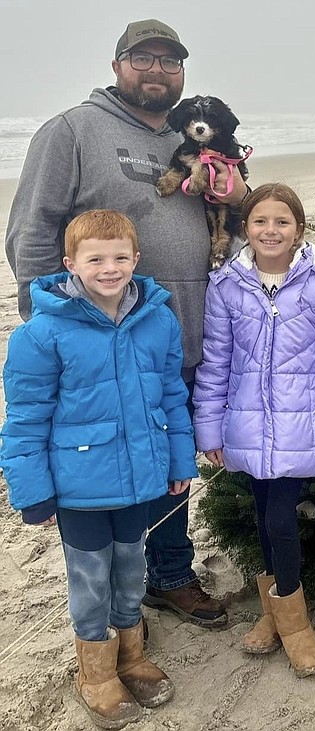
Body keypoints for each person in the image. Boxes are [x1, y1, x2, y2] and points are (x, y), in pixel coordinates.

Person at [4, 18, 248, 627]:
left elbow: (232, 221)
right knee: (109, 464)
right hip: (102, 341)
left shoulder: (191, 136)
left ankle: (169, 575)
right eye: (144, 59)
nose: (157, 70)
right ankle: (115, 595)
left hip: (184, 331)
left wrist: (239, 198)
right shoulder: (72, 130)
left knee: (169, 459)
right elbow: (33, 230)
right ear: (117, 66)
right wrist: (49, 323)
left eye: (170, 61)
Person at [0, 210, 199, 729]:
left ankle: (130, 655)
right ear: (71, 264)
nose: (109, 268)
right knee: (91, 577)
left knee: (131, 569)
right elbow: (24, 421)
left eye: (119, 257)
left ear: (135, 258)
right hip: (78, 488)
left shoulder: (157, 319)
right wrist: (33, 494)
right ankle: (95, 672)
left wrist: (180, 460)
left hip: (139, 480)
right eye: (95, 259)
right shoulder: (41, 335)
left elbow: (172, 397)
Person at [192, 183, 315, 677]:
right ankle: (272, 613)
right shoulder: (226, 285)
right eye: (260, 221)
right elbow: (216, 363)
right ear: (245, 228)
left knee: (283, 519)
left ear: (299, 230)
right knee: (265, 515)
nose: (271, 230)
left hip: (299, 427)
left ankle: (294, 619)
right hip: (246, 426)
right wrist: (210, 431)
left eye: (282, 222)